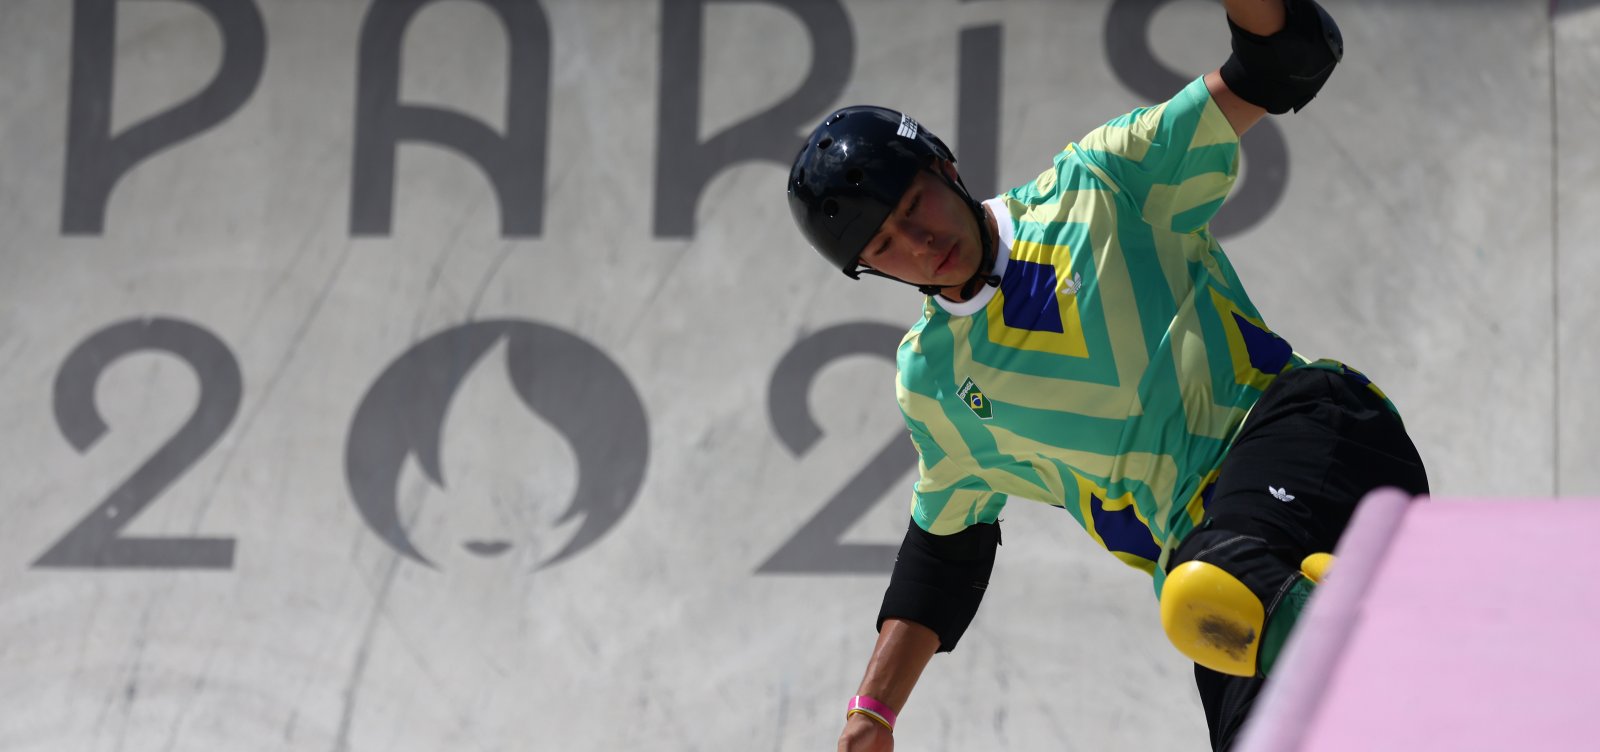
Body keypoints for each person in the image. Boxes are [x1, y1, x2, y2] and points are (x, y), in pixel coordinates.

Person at [784, 1, 1429, 750]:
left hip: (1307, 434)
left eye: (914, 205)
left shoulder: (1101, 184)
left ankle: (1412, 651)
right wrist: (874, 710)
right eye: (886, 245)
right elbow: (943, 551)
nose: (921, 244)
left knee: (1210, 577)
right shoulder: (933, 385)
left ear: (944, 166)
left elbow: (1280, 60)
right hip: (1212, 579)